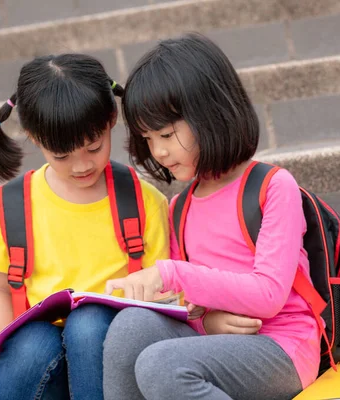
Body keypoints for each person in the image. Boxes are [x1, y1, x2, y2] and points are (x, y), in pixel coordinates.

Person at [102, 33, 320, 400]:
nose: (159, 151)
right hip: (219, 342)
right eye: (149, 138)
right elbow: (193, 306)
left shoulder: (272, 187)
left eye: (167, 134)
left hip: (282, 348)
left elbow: (268, 296)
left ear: (210, 113)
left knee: (161, 366)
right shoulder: (180, 208)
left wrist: (173, 274)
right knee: (130, 326)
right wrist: (207, 321)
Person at [0, 54, 169, 400]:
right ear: (35, 138)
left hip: (112, 363)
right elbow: (1, 290)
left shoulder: (142, 202)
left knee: (88, 322)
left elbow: (167, 292)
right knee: (31, 342)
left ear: (112, 119)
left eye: (93, 147)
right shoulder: (15, 205)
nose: (81, 166)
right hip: (43, 363)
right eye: (62, 155)